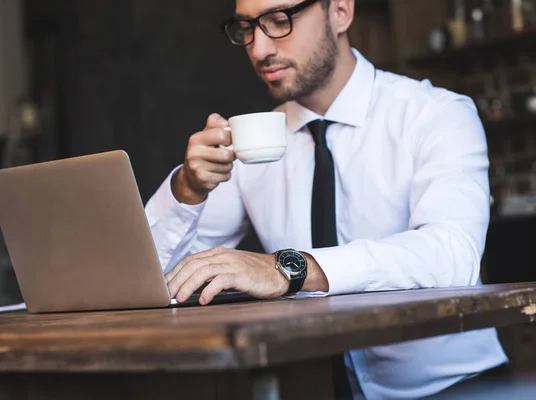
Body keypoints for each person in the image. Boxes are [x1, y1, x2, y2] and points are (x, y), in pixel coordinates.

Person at [144, 0, 509, 398]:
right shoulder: (253, 144)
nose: (259, 49)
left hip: (455, 389)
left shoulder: (436, 115)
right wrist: (187, 193)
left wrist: (289, 269)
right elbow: (155, 281)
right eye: (246, 27)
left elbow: (452, 253)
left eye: (279, 21)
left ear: (340, 12)